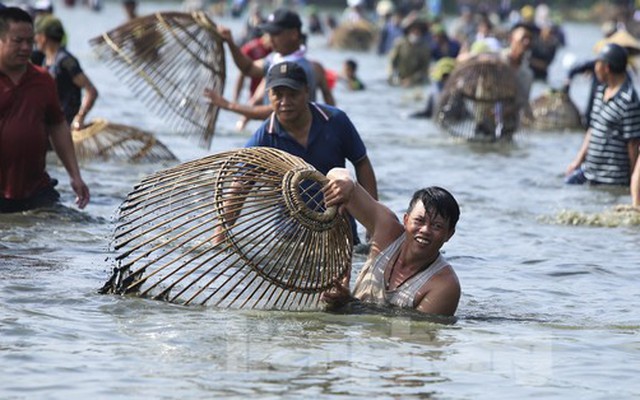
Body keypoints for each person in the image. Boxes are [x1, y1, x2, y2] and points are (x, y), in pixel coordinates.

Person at [240, 61, 377, 245]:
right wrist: (220, 236)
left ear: (307, 91)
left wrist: (372, 222)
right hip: (291, 235)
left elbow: (362, 163)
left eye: (292, 94)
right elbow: (241, 184)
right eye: (278, 95)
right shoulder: (265, 137)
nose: (285, 102)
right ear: (268, 96)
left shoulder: (336, 121)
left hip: (339, 230)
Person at [320, 168, 461, 316]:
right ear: (406, 220)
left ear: (449, 234)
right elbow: (334, 173)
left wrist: (349, 304)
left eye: (437, 226)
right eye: (419, 221)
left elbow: (412, 332)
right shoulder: (387, 230)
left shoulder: (444, 286)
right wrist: (347, 182)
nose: (425, 230)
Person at [0, 7, 89, 212]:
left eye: (30, 41)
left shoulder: (43, 80)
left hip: (37, 190)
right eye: (17, 41)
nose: (25, 48)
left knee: (52, 234)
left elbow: (57, 125)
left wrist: (75, 176)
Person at [204, 8, 335, 122]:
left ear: (294, 34)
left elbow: (273, 111)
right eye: (269, 33)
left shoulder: (309, 68)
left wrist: (228, 105)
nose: (270, 39)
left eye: (276, 33)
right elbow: (248, 68)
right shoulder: (274, 60)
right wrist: (231, 43)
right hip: (275, 134)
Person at [566, 43, 640, 187]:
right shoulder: (601, 91)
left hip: (612, 178)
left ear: (606, 68)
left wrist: (634, 180)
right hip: (589, 172)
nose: (595, 68)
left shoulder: (628, 100)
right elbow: (592, 128)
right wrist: (577, 161)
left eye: (597, 64)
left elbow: (633, 143)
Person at [34, 16, 98, 129]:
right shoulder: (46, 60)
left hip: (65, 126)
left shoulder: (66, 61)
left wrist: (79, 118)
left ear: (43, 37)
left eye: (36, 35)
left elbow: (91, 91)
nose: (34, 38)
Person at [387, 16, 431, 87]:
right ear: (409, 31)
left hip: (416, 80)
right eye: (414, 30)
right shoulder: (399, 44)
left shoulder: (424, 48)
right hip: (399, 78)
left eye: (418, 31)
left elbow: (425, 69)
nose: (416, 33)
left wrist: (413, 79)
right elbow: (391, 62)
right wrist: (393, 75)